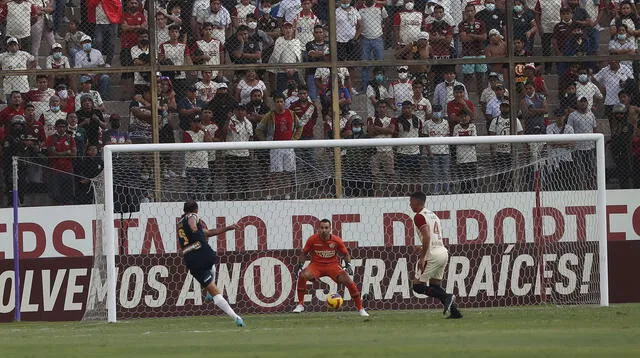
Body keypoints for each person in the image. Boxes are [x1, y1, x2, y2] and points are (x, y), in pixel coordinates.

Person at [177, 200, 245, 327]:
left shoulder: (180, 223)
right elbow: (193, 223)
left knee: (212, 282)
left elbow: (209, 232)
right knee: (212, 262)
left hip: (190, 258)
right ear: (196, 209)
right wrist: (195, 230)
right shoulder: (192, 216)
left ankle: (236, 317)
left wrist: (228, 228)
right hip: (200, 252)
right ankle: (236, 317)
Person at [293, 219, 369, 317]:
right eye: (322, 228)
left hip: (332, 266)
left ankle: (360, 308)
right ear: (318, 229)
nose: (324, 230)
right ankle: (300, 304)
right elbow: (304, 253)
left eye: (326, 228)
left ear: (330, 229)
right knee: (303, 275)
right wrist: (300, 265)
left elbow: (346, 254)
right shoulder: (312, 239)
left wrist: (348, 265)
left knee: (348, 280)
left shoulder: (336, 240)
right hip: (316, 265)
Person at [409, 191, 462, 319]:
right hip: (443, 252)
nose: (410, 204)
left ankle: (447, 297)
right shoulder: (433, 215)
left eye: (411, 201)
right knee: (435, 286)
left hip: (431, 254)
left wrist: (422, 256)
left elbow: (427, 235)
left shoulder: (419, 216)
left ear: (417, 201)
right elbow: (434, 236)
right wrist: (423, 246)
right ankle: (455, 313)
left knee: (417, 286)